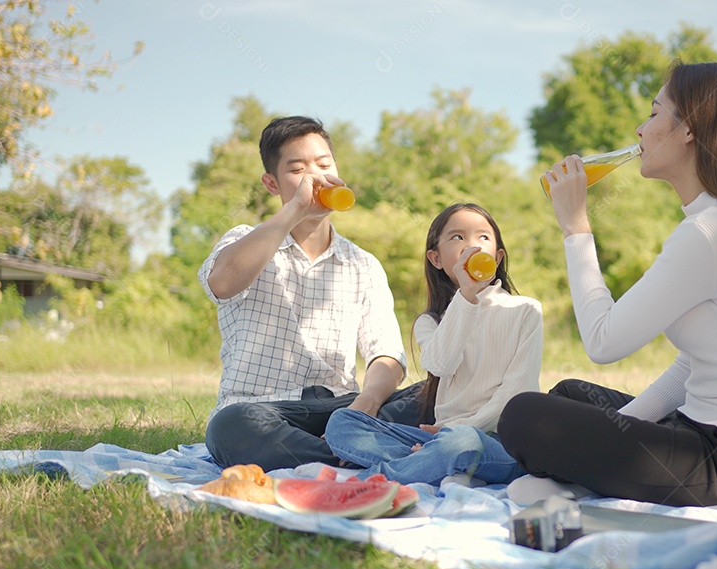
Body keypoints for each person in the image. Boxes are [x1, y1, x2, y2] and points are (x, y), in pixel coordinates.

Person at [497, 62, 717, 507]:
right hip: (714, 433)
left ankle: (573, 478)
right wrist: (616, 428)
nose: (640, 129)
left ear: (689, 129)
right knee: (571, 396)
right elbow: (689, 367)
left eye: (654, 114)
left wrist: (576, 227)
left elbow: (602, 341)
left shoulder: (710, 231)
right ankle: (579, 476)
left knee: (523, 416)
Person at [201, 116, 422, 472]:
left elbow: (387, 355)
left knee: (434, 392)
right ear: (271, 183)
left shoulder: (362, 264)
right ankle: (359, 457)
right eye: (298, 169)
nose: (315, 178)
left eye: (323, 165)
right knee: (229, 428)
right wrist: (295, 210)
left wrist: (364, 405)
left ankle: (351, 448)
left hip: (343, 408)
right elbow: (223, 283)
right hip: (265, 410)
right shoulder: (243, 240)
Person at [324, 203, 543, 485]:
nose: (472, 246)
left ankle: (379, 480)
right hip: (438, 437)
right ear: (436, 258)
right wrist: (467, 296)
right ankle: (432, 463)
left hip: (500, 443)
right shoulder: (430, 322)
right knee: (342, 423)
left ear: (498, 257)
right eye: (457, 237)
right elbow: (441, 364)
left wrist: (452, 435)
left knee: (459, 441)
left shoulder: (526, 310)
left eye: (483, 237)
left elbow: (516, 393)